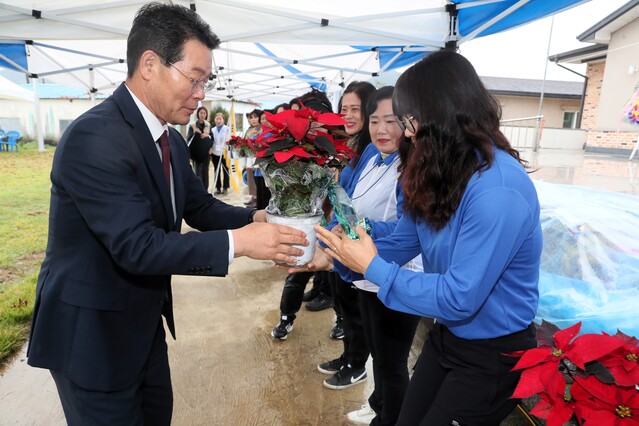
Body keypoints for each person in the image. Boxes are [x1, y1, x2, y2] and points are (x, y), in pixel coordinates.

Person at [26, 4, 307, 425]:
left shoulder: (169, 141)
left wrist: (254, 221)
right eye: (195, 80)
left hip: (141, 327)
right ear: (150, 65)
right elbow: (137, 247)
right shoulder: (94, 137)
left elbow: (200, 207)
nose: (201, 94)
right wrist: (241, 245)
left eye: (205, 82)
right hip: (91, 339)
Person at [314, 50, 541, 425]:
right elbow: (405, 239)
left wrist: (372, 267)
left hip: (493, 352)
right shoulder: (443, 170)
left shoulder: (498, 190)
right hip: (449, 335)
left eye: (408, 119)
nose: (405, 131)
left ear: (443, 114)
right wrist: (337, 254)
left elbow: (458, 297)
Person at [332, 86, 422, 425]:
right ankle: (379, 407)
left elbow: (406, 229)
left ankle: (390, 418)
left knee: (392, 363)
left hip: (397, 275)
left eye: (391, 121)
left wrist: (359, 229)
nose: (381, 130)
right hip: (366, 272)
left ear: (409, 122)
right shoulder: (371, 154)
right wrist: (341, 227)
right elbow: (348, 202)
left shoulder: (412, 166)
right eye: (374, 120)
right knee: (379, 355)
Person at [316, 81, 376, 391]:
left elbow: (355, 202)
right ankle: (347, 357)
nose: (348, 115)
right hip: (339, 240)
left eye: (356, 109)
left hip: (352, 242)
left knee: (354, 312)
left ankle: (356, 365)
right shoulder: (347, 145)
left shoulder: (370, 150)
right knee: (343, 307)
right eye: (344, 109)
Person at [187, 106, 213, 189]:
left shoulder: (208, 125)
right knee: (197, 172)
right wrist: (197, 136)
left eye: (204, 113)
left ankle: (205, 190)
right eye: (201, 113)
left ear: (206, 115)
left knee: (205, 172)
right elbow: (189, 139)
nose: (202, 115)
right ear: (198, 114)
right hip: (196, 153)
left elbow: (212, 138)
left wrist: (207, 136)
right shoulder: (192, 125)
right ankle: (198, 190)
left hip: (206, 153)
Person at [210, 112, 230, 195]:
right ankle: (217, 187)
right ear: (214, 120)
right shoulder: (212, 130)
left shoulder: (227, 129)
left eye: (220, 119)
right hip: (215, 152)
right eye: (217, 119)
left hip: (224, 153)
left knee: (225, 170)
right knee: (216, 170)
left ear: (223, 120)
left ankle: (225, 187)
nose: (218, 121)